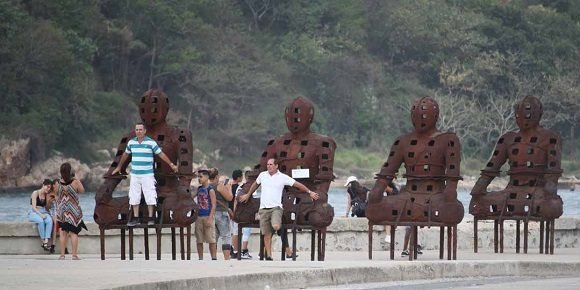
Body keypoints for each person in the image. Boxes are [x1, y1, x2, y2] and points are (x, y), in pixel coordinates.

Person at [239, 158, 320, 261]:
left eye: (271, 164)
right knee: (266, 234)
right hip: (263, 209)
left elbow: (297, 184)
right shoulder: (263, 175)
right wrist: (247, 195)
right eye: (268, 164)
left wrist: (309, 192)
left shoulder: (282, 177)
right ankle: (269, 256)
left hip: (276, 208)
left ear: (276, 166)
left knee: (276, 226)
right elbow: (255, 185)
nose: (269, 166)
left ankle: (276, 245)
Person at [111, 122, 178, 226]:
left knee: (150, 194)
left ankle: (151, 217)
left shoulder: (151, 143)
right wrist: (119, 167)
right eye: (137, 130)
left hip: (147, 174)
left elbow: (161, 154)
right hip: (135, 174)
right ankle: (136, 218)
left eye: (140, 130)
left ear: (145, 131)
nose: (138, 132)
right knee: (134, 195)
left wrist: (171, 164)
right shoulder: (131, 143)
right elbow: (125, 155)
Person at [54, 162, 86, 260]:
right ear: (70, 171)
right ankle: (74, 255)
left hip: (62, 210)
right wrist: (76, 178)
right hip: (73, 211)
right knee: (73, 233)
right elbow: (82, 191)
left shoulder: (57, 183)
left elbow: (56, 195)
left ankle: (62, 255)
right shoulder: (75, 182)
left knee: (63, 233)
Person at [208, 168, 233, 260]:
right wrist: (229, 188)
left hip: (210, 214)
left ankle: (213, 258)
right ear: (217, 176)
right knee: (226, 236)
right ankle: (227, 258)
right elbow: (229, 198)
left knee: (213, 238)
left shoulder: (206, 187)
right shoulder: (219, 186)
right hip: (221, 213)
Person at [194, 169, 217, 260]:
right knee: (199, 239)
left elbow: (214, 205)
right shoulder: (199, 189)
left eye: (201, 177)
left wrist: (210, 218)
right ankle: (200, 258)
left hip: (207, 216)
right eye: (198, 177)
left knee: (211, 239)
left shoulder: (210, 190)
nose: (199, 179)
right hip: (199, 216)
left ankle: (214, 257)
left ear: (207, 177)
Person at [230, 169, 252, 259]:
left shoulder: (236, 186)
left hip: (235, 212)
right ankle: (242, 250)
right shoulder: (243, 187)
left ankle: (235, 250)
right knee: (243, 231)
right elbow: (236, 200)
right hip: (242, 213)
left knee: (236, 232)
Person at [28, 179, 54, 252]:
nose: (48, 189)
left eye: (50, 188)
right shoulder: (35, 193)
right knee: (40, 221)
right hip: (34, 212)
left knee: (49, 220)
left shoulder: (47, 194)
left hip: (44, 211)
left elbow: (47, 207)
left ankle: (46, 242)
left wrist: (50, 201)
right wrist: (41, 215)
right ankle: (43, 242)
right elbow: (33, 207)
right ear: (43, 185)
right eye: (47, 187)